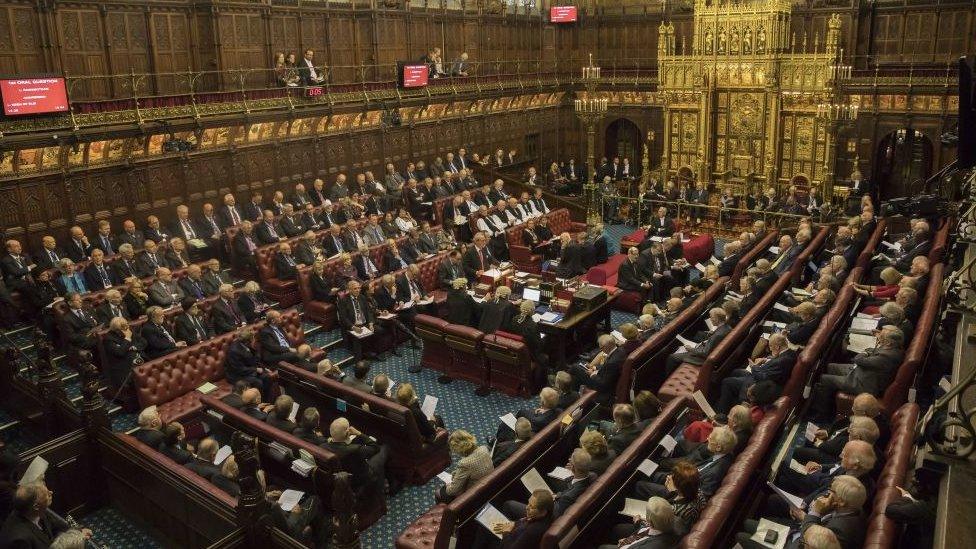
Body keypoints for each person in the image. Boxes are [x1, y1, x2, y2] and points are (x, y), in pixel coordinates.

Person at [809, 325, 904, 420]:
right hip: (863, 373)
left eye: (882, 337)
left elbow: (858, 359)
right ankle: (830, 405)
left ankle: (821, 414)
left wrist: (865, 352)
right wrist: (868, 351)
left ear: (888, 342)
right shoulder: (893, 348)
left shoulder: (887, 356)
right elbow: (871, 351)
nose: (879, 337)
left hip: (864, 384)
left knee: (824, 379)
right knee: (831, 367)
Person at [0, 484, 75, 548]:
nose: (51, 492)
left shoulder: (36, 510)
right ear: (36, 506)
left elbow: (59, 527)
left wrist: (77, 532)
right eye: (47, 494)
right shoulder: (19, 540)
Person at [664, 308, 731, 374]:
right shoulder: (727, 328)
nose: (710, 319)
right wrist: (712, 334)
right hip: (704, 349)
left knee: (672, 357)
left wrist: (691, 349)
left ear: (717, 319)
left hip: (701, 359)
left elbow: (705, 353)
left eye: (711, 317)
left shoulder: (718, 335)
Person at [597, 496, 679, 549]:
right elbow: (652, 529)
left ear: (649, 521)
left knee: (602, 547)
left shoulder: (652, 546)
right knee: (618, 529)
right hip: (640, 536)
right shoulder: (675, 520)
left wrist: (624, 544)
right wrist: (638, 523)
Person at [482, 490, 554, 549]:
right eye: (528, 503)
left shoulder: (532, 531)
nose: (527, 508)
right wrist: (517, 522)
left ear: (543, 511)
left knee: (484, 529)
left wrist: (506, 532)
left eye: (532, 507)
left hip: (506, 542)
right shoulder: (545, 517)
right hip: (513, 534)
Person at [436, 430, 493, 503]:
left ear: (458, 449)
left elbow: (452, 491)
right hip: (489, 487)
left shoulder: (465, 463)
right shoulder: (484, 449)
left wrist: (448, 486)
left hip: (473, 496)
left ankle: (445, 512)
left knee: (439, 492)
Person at [575, 334, 627, 405]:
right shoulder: (621, 350)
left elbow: (602, 384)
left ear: (606, 347)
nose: (600, 349)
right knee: (581, 366)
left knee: (575, 368)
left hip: (603, 388)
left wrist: (592, 374)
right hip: (604, 376)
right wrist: (595, 368)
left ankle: (571, 397)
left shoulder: (612, 363)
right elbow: (606, 368)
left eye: (601, 347)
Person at [224, 328, 272, 398]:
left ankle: (267, 400)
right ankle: (258, 403)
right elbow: (239, 369)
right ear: (247, 341)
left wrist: (263, 368)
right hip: (236, 375)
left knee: (266, 377)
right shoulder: (234, 351)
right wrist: (256, 370)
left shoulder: (247, 345)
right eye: (252, 339)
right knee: (258, 382)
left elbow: (254, 361)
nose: (254, 340)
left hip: (248, 370)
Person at [103, 317, 147, 390]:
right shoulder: (109, 339)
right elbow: (120, 352)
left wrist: (135, 347)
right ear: (116, 330)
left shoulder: (128, 330)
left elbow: (143, 342)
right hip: (126, 367)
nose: (127, 328)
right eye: (123, 327)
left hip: (141, 359)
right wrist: (127, 338)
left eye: (127, 325)